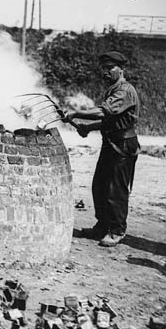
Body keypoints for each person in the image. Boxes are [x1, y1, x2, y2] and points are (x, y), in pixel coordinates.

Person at [65, 51, 140, 247]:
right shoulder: (113, 90)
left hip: (123, 146)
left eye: (110, 68)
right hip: (112, 143)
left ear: (121, 70)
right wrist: (88, 127)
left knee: (116, 190)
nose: (105, 72)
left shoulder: (124, 91)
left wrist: (76, 113)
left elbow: (102, 112)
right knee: (99, 186)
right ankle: (103, 226)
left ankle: (116, 231)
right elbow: (109, 121)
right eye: (104, 69)